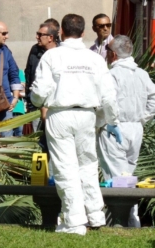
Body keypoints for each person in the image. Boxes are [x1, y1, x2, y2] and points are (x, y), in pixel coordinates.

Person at [30, 14, 121, 235]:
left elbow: (40, 92)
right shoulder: (95, 59)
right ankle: (95, 215)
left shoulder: (52, 56)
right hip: (87, 114)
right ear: (83, 32)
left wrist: (37, 101)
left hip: (60, 113)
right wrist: (112, 120)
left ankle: (74, 221)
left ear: (61, 32)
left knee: (65, 167)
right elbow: (109, 95)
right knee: (88, 165)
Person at [97, 35, 155, 227]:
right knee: (128, 175)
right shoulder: (142, 74)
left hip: (116, 127)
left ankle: (121, 221)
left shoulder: (111, 75)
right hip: (135, 129)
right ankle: (131, 219)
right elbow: (153, 102)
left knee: (116, 177)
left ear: (113, 55)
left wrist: (102, 123)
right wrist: (141, 119)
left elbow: (106, 102)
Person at [24, 19, 60, 132]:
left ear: (50, 37)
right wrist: (29, 99)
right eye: (37, 34)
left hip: (54, 107)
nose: (37, 37)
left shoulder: (61, 53)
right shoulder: (35, 50)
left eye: (40, 34)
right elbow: (28, 73)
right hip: (36, 105)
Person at [12, 69, 26, 136]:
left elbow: (23, 91)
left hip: (18, 109)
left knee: (19, 133)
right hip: (5, 110)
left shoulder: (19, 72)